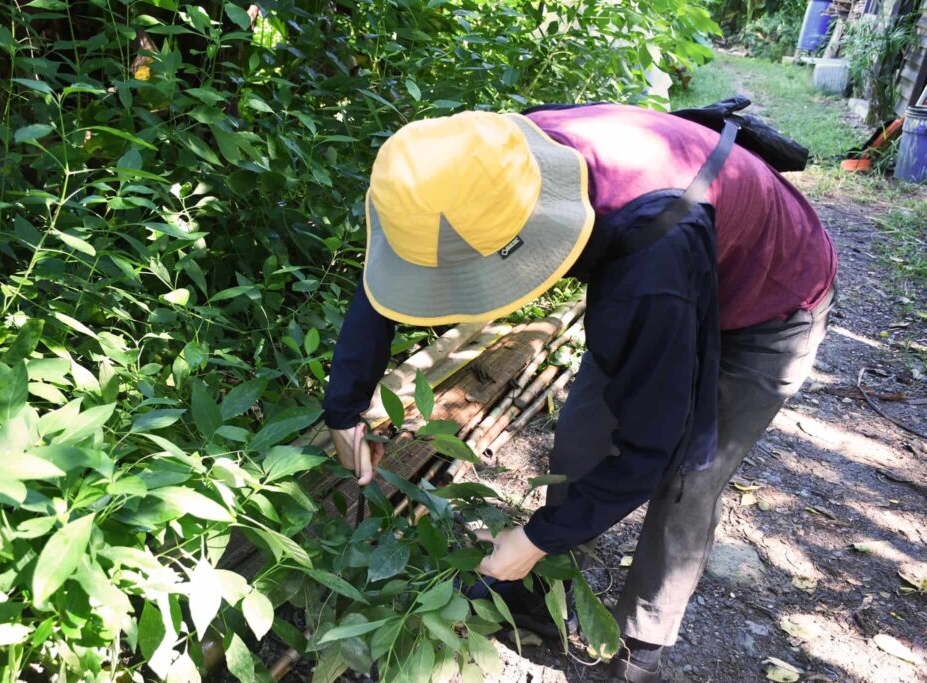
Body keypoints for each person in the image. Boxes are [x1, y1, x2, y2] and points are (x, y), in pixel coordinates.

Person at [321, 104, 837, 682]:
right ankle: (538, 588)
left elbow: (653, 444)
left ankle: (640, 647)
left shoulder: (644, 256)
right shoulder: (473, 163)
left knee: (688, 478)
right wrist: (344, 407)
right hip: (673, 258)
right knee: (581, 438)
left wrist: (537, 535)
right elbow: (392, 278)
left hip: (767, 301)